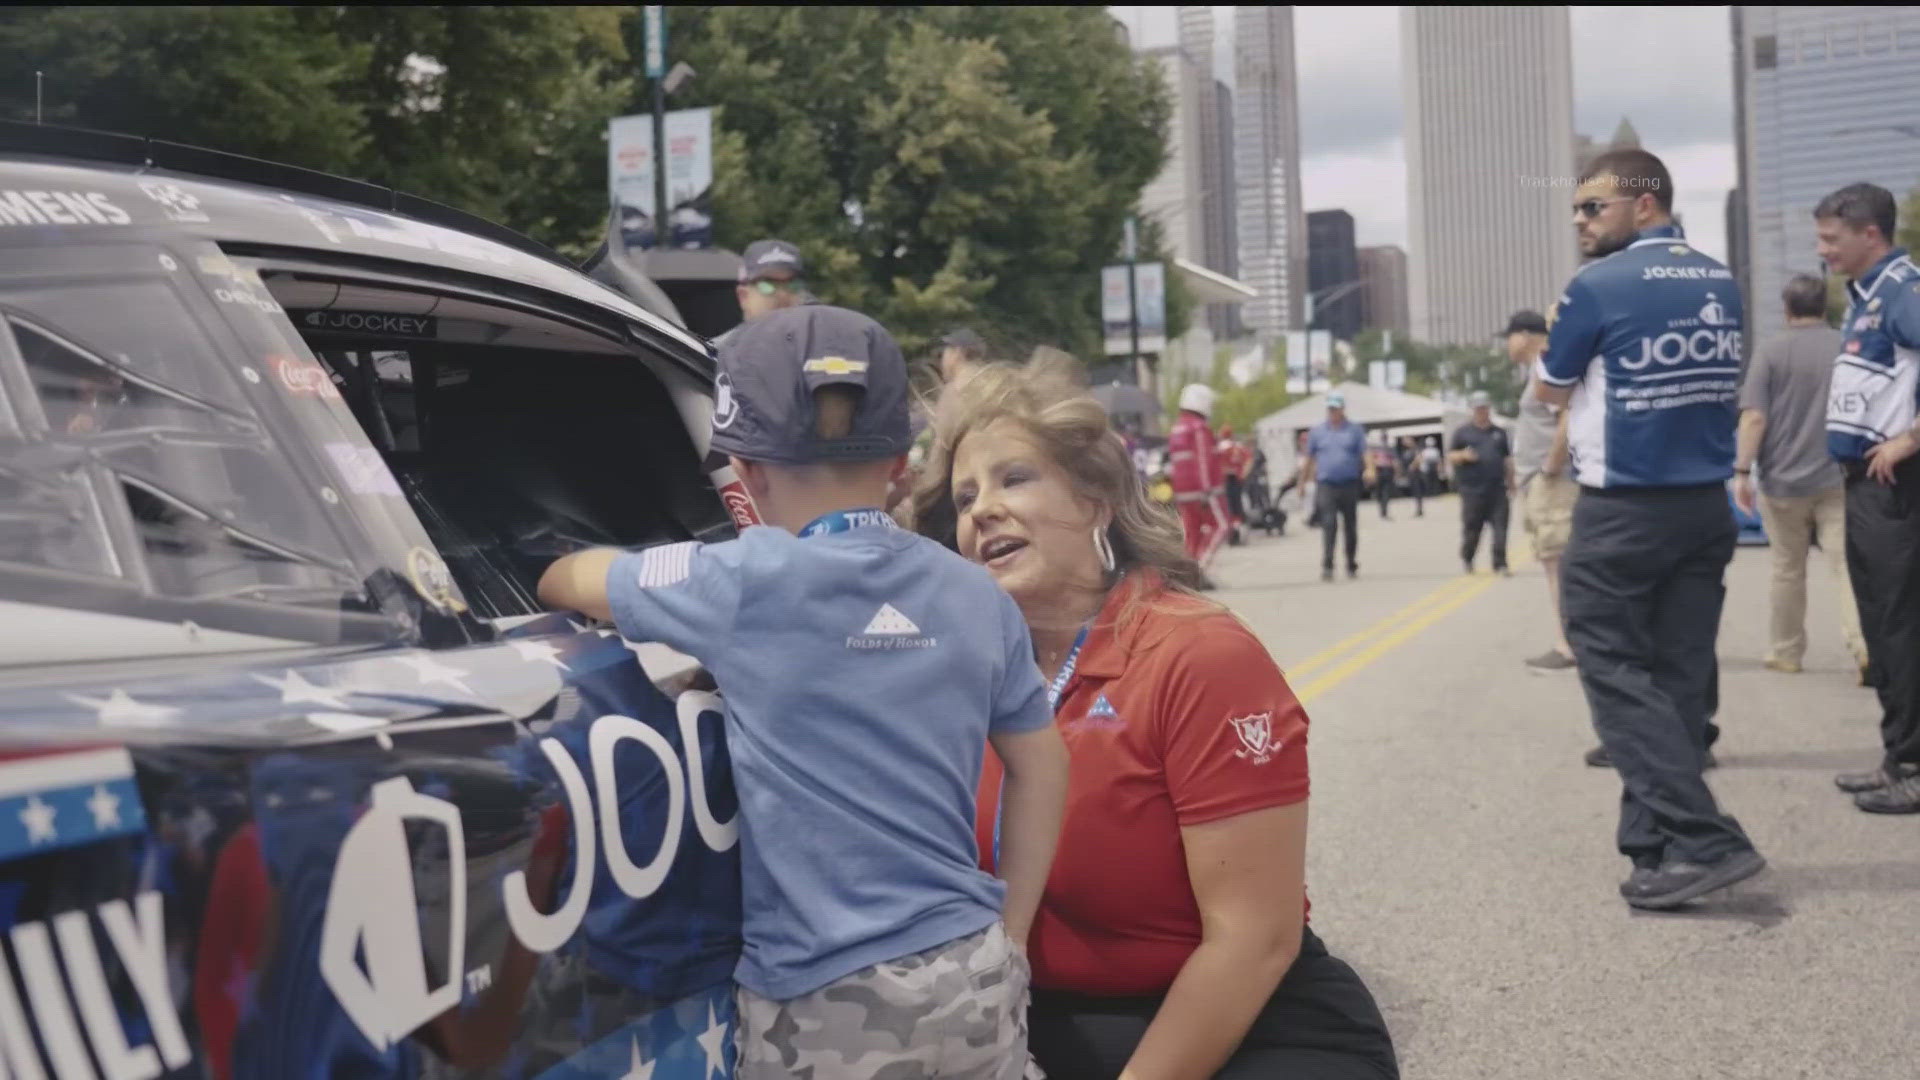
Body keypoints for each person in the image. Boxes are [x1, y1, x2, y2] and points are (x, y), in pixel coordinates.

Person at [536, 305, 1071, 1075]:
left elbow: (571, 580)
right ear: (903, 464)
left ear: (746, 474)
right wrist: (1011, 932)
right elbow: (1043, 767)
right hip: (975, 968)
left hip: (824, 997)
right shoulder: (976, 594)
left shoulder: (746, 580)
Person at [911, 357, 1400, 1080]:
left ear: (1096, 500)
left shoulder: (1197, 654)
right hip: (1037, 1022)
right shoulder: (948, 674)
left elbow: (1255, 939)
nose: (981, 508)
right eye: (964, 496)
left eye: (1015, 477)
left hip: (1244, 1023)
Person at [1534, 148, 1765, 909]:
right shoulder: (1721, 282)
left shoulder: (1598, 286)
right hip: (1704, 507)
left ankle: (1706, 839)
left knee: (1614, 672)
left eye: (1593, 207)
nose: (1580, 221)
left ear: (1646, 203)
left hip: (1625, 509)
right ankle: (1656, 850)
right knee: (1675, 681)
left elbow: (1547, 392)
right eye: (1576, 209)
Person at [1814, 182, 1920, 814]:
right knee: (1884, 627)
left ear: (1869, 234)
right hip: (1866, 485)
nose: (1823, 250)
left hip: (1896, 488)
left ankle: (1912, 765)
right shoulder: (1870, 297)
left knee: (1900, 627)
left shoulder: (1903, 292)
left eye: (1831, 238)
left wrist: (1910, 438)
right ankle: (1897, 756)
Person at [1731, 273, 1869, 682]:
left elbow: (1755, 416)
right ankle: (1865, 647)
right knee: (1848, 566)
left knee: (1787, 569)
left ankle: (1786, 651)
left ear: (1787, 309)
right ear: (1823, 308)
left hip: (1783, 482)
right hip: (1839, 477)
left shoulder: (1771, 352)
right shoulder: (1846, 346)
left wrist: (1742, 471)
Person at [1507, 309, 1579, 671]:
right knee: (1555, 560)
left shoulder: (1544, 368)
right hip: (1543, 479)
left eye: (1509, 336)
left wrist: (1551, 466)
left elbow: (1566, 416)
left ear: (1524, 335)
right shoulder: (1543, 367)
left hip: (1552, 481)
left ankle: (1569, 644)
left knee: (1557, 562)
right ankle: (1572, 639)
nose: (1508, 345)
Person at [1302, 393, 1374, 582]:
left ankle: (1351, 562)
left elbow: (1365, 452)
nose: (1333, 412)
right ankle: (1327, 565)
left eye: (1336, 408)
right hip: (1326, 484)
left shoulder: (1354, 430)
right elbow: (1309, 459)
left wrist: (1370, 469)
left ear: (1342, 409)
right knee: (1329, 524)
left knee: (1350, 525)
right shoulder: (1317, 432)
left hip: (1349, 483)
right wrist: (1302, 483)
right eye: (1330, 409)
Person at [1168, 384, 1229, 586]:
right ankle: (1199, 569)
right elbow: (1202, 459)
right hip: (1203, 490)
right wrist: (1207, 489)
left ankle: (1186, 573)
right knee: (1221, 525)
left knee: (1191, 531)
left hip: (1183, 491)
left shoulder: (1177, 428)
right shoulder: (1198, 428)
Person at [1448, 391, 1513, 576]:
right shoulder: (1463, 433)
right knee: (1472, 528)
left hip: (1497, 489)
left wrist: (1512, 483)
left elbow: (1507, 460)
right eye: (1478, 409)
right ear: (1472, 410)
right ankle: (1468, 557)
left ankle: (1500, 563)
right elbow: (1451, 455)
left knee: (1500, 528)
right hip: (1472, 490)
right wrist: (1463, 456)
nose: (1482, 411)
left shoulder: (1499, 433)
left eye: (1484, 408)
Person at [1396, 437, 1425, 517]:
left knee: (1417, 491)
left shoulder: (1415, 449)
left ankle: (1419, 510)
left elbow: (1419, 458)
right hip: (1409, 474)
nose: (1404, 443)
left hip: (1416, 473)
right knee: (1414, 492)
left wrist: (1413, 466)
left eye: (1406, 441)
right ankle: (1417, 509)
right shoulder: (1405, 451)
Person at [1370, 436, 1397, 520]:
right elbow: (1394, 461)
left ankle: (1383, 510)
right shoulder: (1387, 448)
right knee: (1382, 492)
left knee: (1383, 492)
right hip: (1382, 470)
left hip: (1382, 470)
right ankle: (1383, 510)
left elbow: (1393, 461)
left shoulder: (1383, 448)